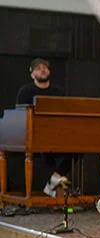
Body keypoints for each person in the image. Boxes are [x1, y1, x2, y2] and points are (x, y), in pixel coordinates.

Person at [16, 57, 70, 196]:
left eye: (45, 67)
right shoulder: (25, 91)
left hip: (56, 133)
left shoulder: (58, 92)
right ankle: (50, 187)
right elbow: (20, 115)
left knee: (76, 149)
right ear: (32, 74)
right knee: (45, 151)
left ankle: (53, 180)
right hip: (33, 134)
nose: (43, 70)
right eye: (38, 68)